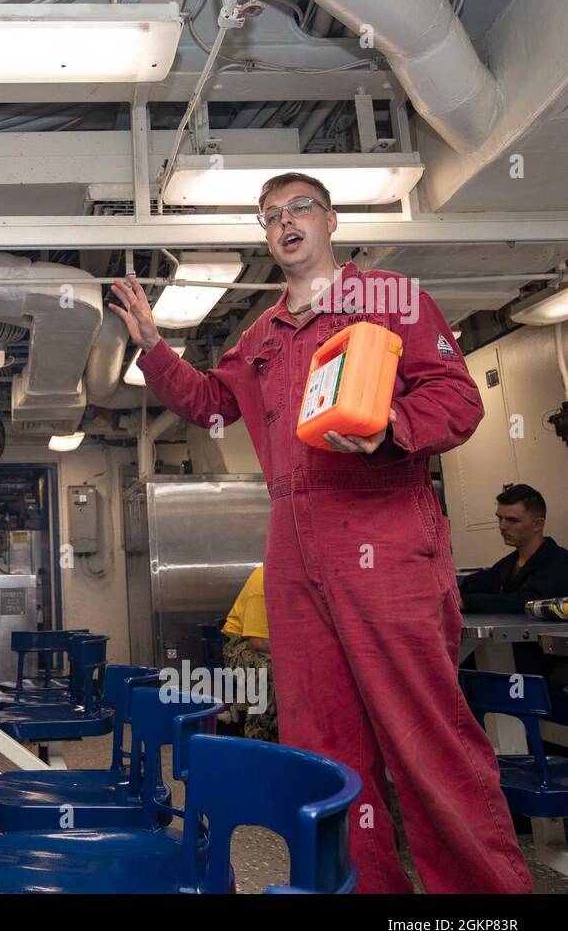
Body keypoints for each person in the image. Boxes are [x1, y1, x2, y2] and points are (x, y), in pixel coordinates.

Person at [110, 172, 532, 894]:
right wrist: (154, 348)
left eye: (299, 207)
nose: (284, 222)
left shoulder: (389, 300)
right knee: (323, 743)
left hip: (383, 526)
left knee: (423, 736)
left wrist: (392, 427)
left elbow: (457, 399)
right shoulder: (261, 334)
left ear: (331, 219)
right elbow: (213, 406)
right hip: (292, 544)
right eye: (269, 215)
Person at [460, 484, 568, 613]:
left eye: (512, 520)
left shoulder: (560, 563)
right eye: (500, 518)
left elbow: (531, 602)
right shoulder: (506, 565)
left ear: (538, 524)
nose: (503, 526)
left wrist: (467, 603)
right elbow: (476, 583)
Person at [218, 566, 277, 742]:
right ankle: (259, 741)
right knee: (269, 671)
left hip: (279, 642)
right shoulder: (264, 581)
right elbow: (258, 641)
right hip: (241, 644)